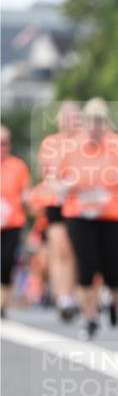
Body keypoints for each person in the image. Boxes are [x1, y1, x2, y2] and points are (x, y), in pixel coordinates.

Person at [59, 98, 118, 339]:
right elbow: (58, 182)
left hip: (113, 215)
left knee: (112, 269)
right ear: (84, 124)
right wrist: (71, 184)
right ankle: (90, 317)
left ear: (107, 123)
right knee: (86, 267)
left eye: (101, 121)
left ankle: (113, 299)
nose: (96, 127)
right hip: (81, 215)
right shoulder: (72, 147)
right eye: (92, 121)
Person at [32, 102, 80, 321]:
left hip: (77, 202)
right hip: (55, 202)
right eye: (66, 117)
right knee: (58, 247)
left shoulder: (83, 142)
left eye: (73, 117)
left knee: (71, 250)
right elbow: (47, 173)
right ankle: (62, 296)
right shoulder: (50, 143)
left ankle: (70, 293)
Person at [1, 125, 30, 318]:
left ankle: (2, 303)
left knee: (6, 262)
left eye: (4, 143)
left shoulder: (18, 166)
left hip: (12, 222)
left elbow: (26, 192)